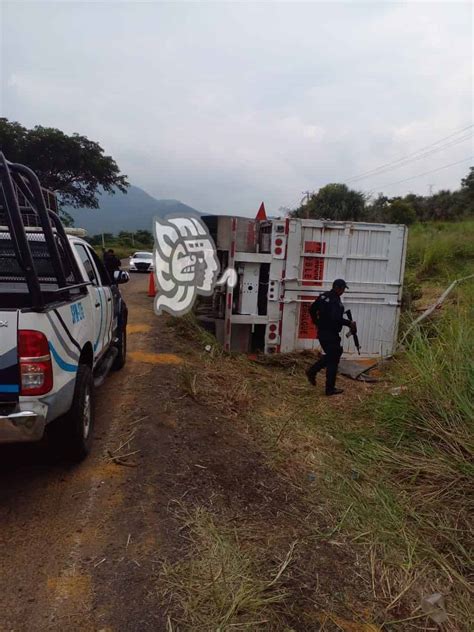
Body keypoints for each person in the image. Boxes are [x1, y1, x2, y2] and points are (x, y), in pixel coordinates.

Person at [306, 279, 357, 396]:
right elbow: (335, 318)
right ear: (338, 288)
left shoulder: (324, 296)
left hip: (323, 332)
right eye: (343, 289)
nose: (343, 291)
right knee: (333, 357)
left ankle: (319, 378)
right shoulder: (334, 301)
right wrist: (349, 323)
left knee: (333, 355)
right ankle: (322, 382)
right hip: (330, 333)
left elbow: (312, 309)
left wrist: (317, 322)